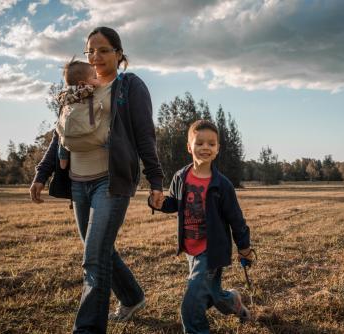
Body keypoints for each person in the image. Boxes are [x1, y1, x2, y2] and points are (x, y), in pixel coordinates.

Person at [29, 26, 165, 334]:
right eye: (91, 51)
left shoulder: (129, 86)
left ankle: (87, 328)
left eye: (104, 50)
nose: (96, 57)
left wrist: (156, 181)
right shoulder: (76, 88)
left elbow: (145, 135)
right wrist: (42, 173)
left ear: (119, 54)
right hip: (78, 180)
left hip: (111, 181)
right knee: (100, 249)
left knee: (93, 256)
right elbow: (59, 135)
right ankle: (132, 297)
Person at [149, 120, 255, 334]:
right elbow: (174, 203)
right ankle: (232, 301)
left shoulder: (222, 184)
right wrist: (158, 203)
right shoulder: (181, 176)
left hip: (212, 250)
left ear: (217, 149)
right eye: (199, 143)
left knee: (192, 302)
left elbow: (236, 219)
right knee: (211, 293)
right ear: (189, 147)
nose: (205, 148)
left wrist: (244, 247)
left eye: (211, 144)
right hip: (191, 248)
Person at [55, 58, 102, 170]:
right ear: (82, 84)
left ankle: (63, 158)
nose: (98, 79)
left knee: (61, 138)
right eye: (95, 77)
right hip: (88, 136)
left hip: (67, 141)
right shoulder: (87, 91)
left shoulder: (65, 96)